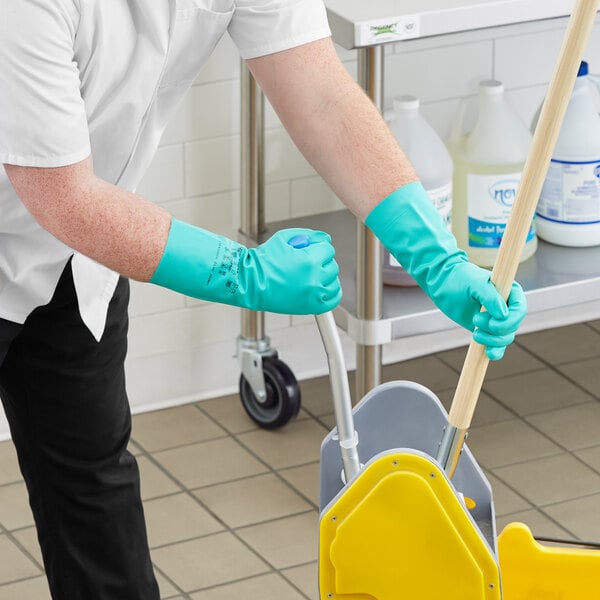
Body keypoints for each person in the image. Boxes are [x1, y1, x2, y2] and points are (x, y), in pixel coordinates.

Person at [0, 0, 527, 598]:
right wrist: (242, 272)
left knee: (93, 490)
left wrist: (437, 259)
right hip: (57, 214)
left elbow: (319, 93)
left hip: (78, 261)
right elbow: (61, 195)